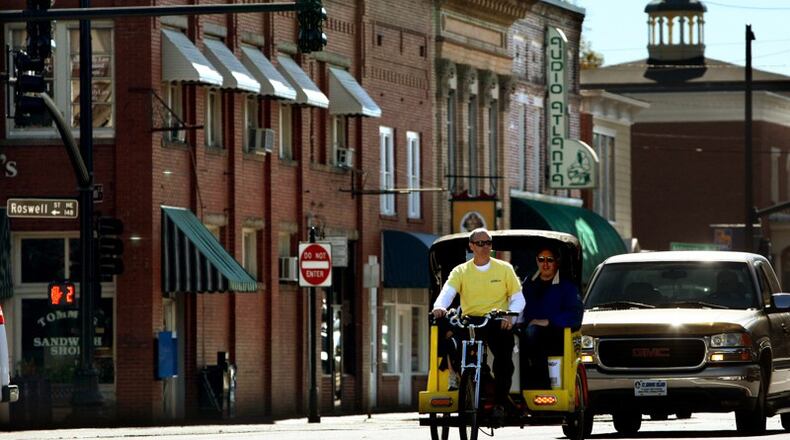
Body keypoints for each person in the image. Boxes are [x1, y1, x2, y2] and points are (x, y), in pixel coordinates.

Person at [432, 228, 525, 412]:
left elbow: (518, 298)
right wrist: (440, 307)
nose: (484, 247)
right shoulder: (461, 271)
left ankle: (500, 400)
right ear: (471, 246)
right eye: (480, 243)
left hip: (497, 319)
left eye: (488, 243)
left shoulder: (504, 268)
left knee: (504, 359)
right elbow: (447, 293)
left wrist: (509, 315)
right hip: (470, 321)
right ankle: (466, 382)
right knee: (454, 346)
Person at [519, 246, 583, 389]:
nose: (545, 264)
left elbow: (576, 315)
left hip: (556, 333)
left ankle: (541, 388)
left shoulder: (567, 287)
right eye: (541, 259)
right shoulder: (528, 284)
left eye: (550, 260)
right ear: (536, 261)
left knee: (533, 334)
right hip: (528, 332)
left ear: (557, 262)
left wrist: (548, 321)